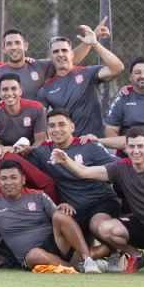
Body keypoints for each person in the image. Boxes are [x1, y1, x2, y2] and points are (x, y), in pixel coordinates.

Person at [49, 127, 144, 273]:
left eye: (140, 146)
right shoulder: (120, 167)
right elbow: (84, 172)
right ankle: (137, 256)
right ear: (125, 147)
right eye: (131, 146)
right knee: (104, 228)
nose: (136, 151)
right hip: (140, 226)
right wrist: (66, 160)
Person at [0, 162, 102, 272]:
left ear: (23, 180)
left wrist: (63, 207)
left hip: (56, 246)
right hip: (31, 257)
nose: (8, 182)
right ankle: (76, 267)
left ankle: (88, 260)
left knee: (60, 216)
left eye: (13, 177)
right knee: (35, 254)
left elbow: (59, 218)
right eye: (3, 178)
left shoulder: (39, 196)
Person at [19, 108, 119, 252]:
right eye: (52, 126)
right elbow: (19, 162)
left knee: (98, 227)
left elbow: (120, 166)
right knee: (67, 253)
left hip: (101, 202)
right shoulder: (43, 151)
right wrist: (10, 150)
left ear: (72, 126)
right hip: (73, 209)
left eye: (62, 124)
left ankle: (119, 253)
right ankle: (92, 257)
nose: (56, 129)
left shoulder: (89, 145)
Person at [0, 23, 103, 111]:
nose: (14, 47)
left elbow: (70, 58)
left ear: (25, 46)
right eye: (9, 44)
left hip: (36, 131)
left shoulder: (40, 66)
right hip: (5, 131)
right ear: (3, 49)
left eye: (17, 43)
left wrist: (92, 39)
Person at [36, 27, 124, 137]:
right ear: (51, 57)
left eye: (64, 50)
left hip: (94, 141)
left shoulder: (87, 73)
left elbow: (118, 68)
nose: (60, 54)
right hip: (67, 147)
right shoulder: (46, 90)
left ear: (72, 54)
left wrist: (95, 44)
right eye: (56, 51)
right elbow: (40, 124)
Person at [0, 72, 47, 147]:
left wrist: (28, 150)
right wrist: (7, 151)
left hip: (32, 151)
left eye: (13, 88)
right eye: (5, 89)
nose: (9, 93)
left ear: (20, 91)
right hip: (5, 153)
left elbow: (39, 142)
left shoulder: (36, 108)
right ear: (0, 93)